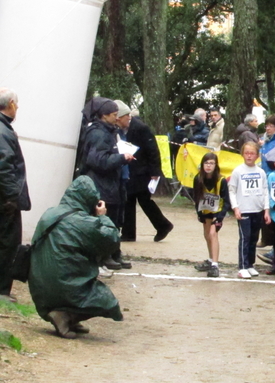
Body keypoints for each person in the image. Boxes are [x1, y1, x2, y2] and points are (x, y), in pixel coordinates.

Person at [28, 176, 123, 339]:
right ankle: (65, 316)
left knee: (69, 278)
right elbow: (112, 240)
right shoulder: (83, 222)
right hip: (64, 286)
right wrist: (102, 217)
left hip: (39, 288)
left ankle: (67, 315)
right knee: (108, 302)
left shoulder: (50, 213)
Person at [78, 98, 135, 270]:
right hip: (101, 183)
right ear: (104, 115)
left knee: (114, 219)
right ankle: (104, 255)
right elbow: (98, 160)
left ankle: (112, 252)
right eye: (114, 115)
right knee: (105, 220)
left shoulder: (107, 131)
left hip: (110, 182)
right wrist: (121, 158)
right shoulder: (98, 133)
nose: (117, 118)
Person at [116, 101, 173, 243]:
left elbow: (152, 149)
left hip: (142, 171)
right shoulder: (120, 129)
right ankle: (129, 233)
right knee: (129, 200)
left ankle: (162, 225)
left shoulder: (141, 128)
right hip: (130, 169)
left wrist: (154, 171)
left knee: (143, 200)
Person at [0, 88, 30, 303]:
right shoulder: (3, 131)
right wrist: (12, 196)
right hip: (5, 200)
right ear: (10, 103)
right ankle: (2, 291)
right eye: (17, 104)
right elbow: (4, 166)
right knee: (7, 243)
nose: (18, 108)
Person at [229, 141, 268, 279]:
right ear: (242, 154)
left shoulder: (261, 172)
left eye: (252, 153)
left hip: (257, 210)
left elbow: (265, 191)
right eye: (247, 153)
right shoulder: (238, 171)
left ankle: (250, 264)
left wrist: (266, 209)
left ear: (257, 156)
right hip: (244, 209)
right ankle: (242, 266)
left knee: (253, 238)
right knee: (245, 238)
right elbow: (232, 190)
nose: (249, 156)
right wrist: (235, 208)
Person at [193, 152, 230, 278]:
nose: (208, 166)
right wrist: (199, 212)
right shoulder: (198, 179)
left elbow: (226, 200)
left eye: (211, 163)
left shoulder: (221, 180)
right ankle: (210, 259)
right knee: (206, 235)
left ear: (216, 165)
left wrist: (220, 215)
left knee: (213, 234)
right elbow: (196, 197)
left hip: (217, 212)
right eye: (206, 163)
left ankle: (215, 264)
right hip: (205, 211)